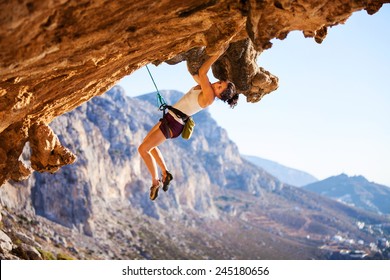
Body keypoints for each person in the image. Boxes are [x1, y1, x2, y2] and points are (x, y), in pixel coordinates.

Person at [138, 47, 239, 201]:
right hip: (171, 119)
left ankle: (155, 181)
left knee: (143, 149)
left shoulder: (209, 96)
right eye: (219, 82)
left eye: (219, 87)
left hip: (174, 124)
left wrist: (217, 53)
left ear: (219, 95)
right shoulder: (207, 88)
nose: (217, 84)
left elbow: (203, 72)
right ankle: (166, 174)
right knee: (149, 146)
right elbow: (196, 74)